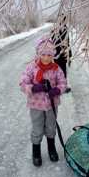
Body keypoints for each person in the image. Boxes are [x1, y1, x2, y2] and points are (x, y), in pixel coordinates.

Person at [19, 36, 67, 167]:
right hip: (36, 105)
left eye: (49, 55)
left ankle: (51, 149)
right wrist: (33, 87)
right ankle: (36, 152)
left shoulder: (56, 68)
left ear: (53, 55)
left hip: (52, 105)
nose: (46, 58)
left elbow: (63, 83)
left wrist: (57, 90)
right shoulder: (31, 68)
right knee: (37, 127)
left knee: (51, 126)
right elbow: (22, 83)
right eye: (43, 54)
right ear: (38, 54)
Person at [51, 14, 72, 93]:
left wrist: (69, 54)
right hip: (60, 53)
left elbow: (67, 42)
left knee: (59, 70)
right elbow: (67, 43)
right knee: (61, 70)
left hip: (58, 53)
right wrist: (69, 54)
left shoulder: (55, 29)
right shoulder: (62, 29)